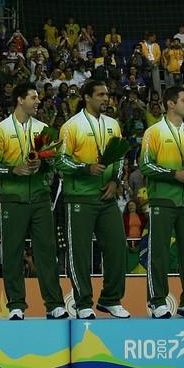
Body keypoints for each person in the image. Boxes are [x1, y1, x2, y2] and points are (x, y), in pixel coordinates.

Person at [0, 82, 68, 320]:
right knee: (12, 252)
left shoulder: (44, 129)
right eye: (33, 97)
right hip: (13, 199)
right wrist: (14, 170)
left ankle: (54, 304)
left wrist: (45, 163)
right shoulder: (0, 130)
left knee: (46, 251)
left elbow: (56, 162)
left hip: (41, 198)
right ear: (20, 100)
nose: (38, 101)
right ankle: (16, 305)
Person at [55, 79, 130, 319]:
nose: (106, 98)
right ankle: (82, 302)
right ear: (87, 97)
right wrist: (85, 168)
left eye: (107, 94)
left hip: (106, 197)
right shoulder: (71, 126)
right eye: (100, 94)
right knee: (79, 252)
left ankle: (110, 299)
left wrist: (114, 181)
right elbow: (60, 161)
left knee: (118, 247)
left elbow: (119, 158)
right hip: (79, 197)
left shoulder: (113, 125)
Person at [140, 87, 184, 319]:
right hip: (163, 199)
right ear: (170, 104)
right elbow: (145, 165)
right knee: (159, 253)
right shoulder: (153, 132)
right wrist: (173, 174)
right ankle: (157, 301)